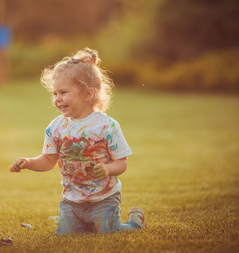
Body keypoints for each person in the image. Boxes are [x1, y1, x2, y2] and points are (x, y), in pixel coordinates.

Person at [9, 48, 146, 235]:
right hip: (72, 201)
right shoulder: (55, 127)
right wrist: (29, 162)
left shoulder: (107, 126)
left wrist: (107, 169)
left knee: (108, 233)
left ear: (88, 94)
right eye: (55, 94)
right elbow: (49, 160)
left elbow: (122, 162)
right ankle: (83, 223)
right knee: (65, 236)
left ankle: (135, 222)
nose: (57, 99)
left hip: (104, 198)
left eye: (63, 92)